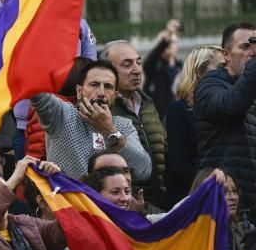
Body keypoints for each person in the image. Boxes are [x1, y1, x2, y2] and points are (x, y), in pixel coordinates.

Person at [30, 60, 151, 182]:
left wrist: (110, 131)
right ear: (79, 91)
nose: (101, 93)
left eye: (108, 87)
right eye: (94, 84)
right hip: (68, 200)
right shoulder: (62, 115)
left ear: (115, 96)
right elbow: (33, 87)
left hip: (109, 201)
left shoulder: (124, 125)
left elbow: (144, 171)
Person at [194, 22, 256, 212]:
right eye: (246, 46)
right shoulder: (209, 85)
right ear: (226, 55)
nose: (252, 53)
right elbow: (231, 106)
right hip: (224, 204)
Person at [102, 40, 167, 207]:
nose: (137, 70)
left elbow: (163, 150)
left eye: (138, 62)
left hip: (158, 201)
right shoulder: (104, 111)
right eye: (127, 64)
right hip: (125, 204)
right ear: (108, 70)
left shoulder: (147, 104)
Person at [164, 45, 225, 209]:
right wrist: (207, 187)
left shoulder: (222, 106)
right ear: (200, 71)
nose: (226, 72)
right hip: (191, 197)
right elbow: (179, 163)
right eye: (220, 67)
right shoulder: (179, 110)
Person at [143, 20, 183, 119]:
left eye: (172, 42)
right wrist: (168, 34)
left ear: (177, 46)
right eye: (166, 43)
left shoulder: (181, 67)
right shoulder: (153, 65)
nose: (168, 45)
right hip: (158, 118)